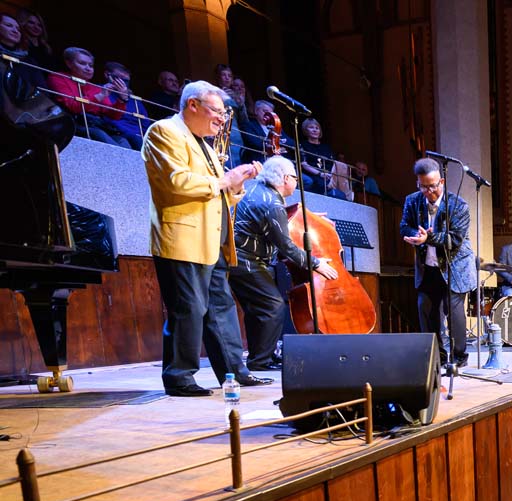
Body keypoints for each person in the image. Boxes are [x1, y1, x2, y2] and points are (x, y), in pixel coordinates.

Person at [141, 80, 271, 396]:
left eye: (224, 114)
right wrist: (226, 180)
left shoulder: (206, 146)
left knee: (221, 309)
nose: (222, 119)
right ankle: (179, 378)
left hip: (212, 242)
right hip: (183, 240)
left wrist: (237, 184)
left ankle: (234, 372)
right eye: (217, 111)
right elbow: (177, 182)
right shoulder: (164, 132)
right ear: (193, 105)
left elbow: (219, 193)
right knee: (188, 309)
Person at [231, 156, 340, 370]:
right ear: (285, 178)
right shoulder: (272, 203)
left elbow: (274, 220)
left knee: (258, 309)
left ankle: (262, 356)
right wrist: (316, 263)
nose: (297, 182)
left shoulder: (256, 188)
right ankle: (260, 361)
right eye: (295, 178)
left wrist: (307, 217)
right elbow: (286, 247)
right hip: (247, 261)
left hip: (238, 258)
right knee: (272, 305)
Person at [401, 157, 476, 367]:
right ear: (418, 183)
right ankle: (437, 357)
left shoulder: (458, 205)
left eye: (433, 186)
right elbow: (404, 226)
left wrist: (428, 238)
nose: (429, 191)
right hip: (428, 267)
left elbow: (455, 239)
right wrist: (416, 234)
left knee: (453, 312)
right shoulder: (412, 201)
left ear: (441, 182)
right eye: (423, 186)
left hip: (454, 267)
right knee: (425, 309)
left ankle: (459, 357)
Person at [45, 47, 130, 148]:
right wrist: (100, 96)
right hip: (72, 122)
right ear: (69, 64)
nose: (88, 68)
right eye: (82, 63)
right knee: (100, 135)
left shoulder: (95, 88)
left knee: (123, 141)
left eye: (91, 65)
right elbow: (73, 107)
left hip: (94, 123)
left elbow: (113, 116)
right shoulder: (58, 78)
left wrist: (122, 99)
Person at [104, 62, 150, 149]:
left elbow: (145, 122)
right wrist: (122, 98)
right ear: (108, 75)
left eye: (126, 80)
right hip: (116, 132)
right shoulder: (102, 91)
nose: (123, 83)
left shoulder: (134, 99)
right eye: (120, 79)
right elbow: (108, 118)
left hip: (138, 135)